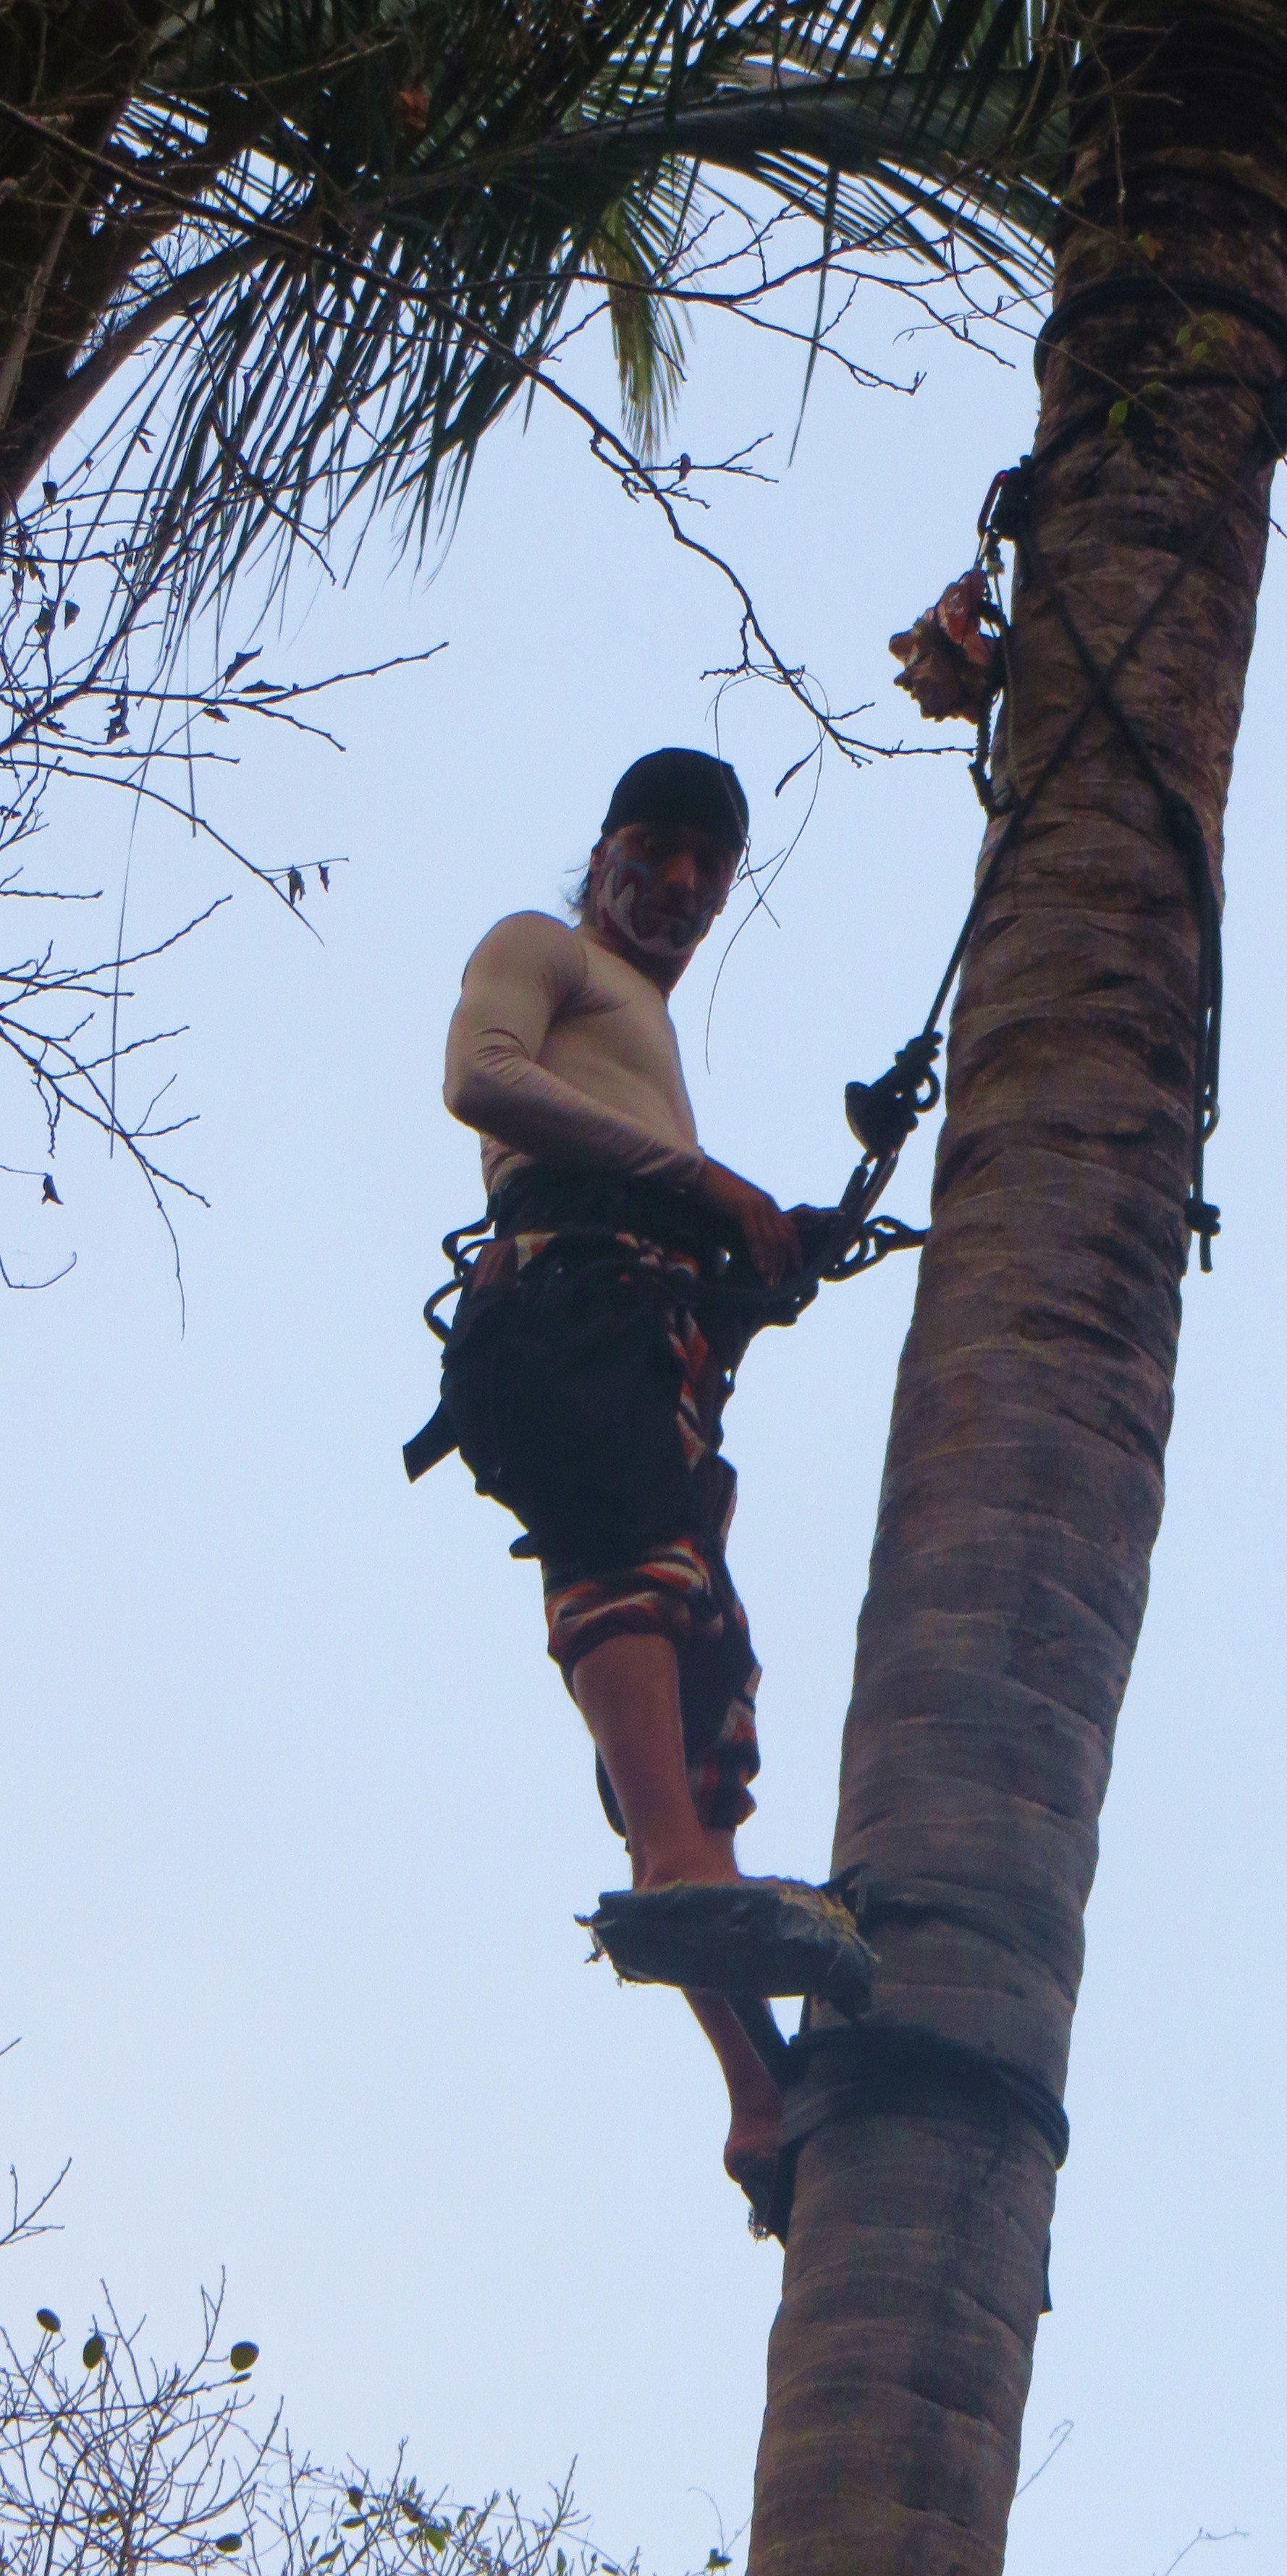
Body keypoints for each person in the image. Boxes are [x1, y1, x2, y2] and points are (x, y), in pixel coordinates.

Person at [435, 747, 799, 2230]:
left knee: (703, 1678)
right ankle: (666, 1865)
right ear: (603, 856)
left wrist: (754, 1251)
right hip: (570, 1314)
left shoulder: (641, 1030)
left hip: (650, 1338)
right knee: (630, 1566)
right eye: (657, 851)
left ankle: (759, 2094)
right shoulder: (546, 951)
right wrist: (704, 1185)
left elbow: (653, 1183)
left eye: (710, 870)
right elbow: (481, 1077)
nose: (682, 887)